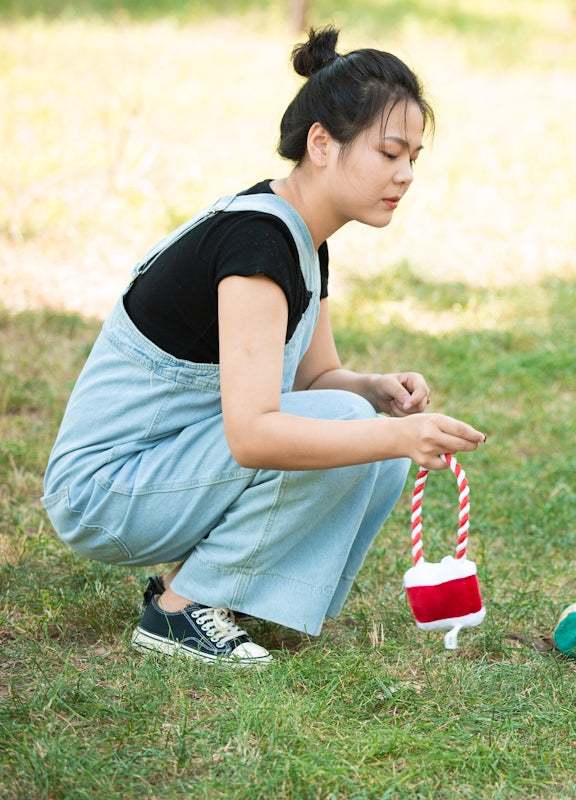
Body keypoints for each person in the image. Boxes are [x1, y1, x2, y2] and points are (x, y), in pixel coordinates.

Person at [41, 26, 486, 667]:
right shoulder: (256, 244)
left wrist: (373, 391)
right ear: (321, 144)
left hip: (166, 470)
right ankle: (180, 609)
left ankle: (227, 589)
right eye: (390, 152)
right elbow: (253, 436)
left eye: (413, 156)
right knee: (366, 434)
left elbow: (314, 379)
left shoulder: (304, 238)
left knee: (369, 429)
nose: (406, 174)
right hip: (106, 491)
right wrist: (392, 434)